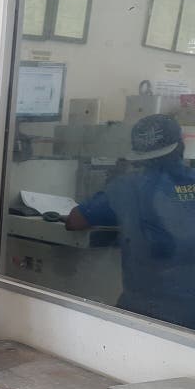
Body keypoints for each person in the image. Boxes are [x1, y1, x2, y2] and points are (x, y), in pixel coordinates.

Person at [66, 114, 195, 329]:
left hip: (146, 309)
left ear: (138, 155)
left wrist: (115, 180)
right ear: (180, 145)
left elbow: (75, 221)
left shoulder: (126, 187)